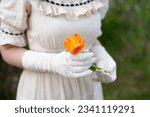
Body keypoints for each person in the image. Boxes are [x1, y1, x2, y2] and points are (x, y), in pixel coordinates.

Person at [0, 0, 116, 100]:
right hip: (44, 90)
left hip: (88, 89)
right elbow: (7, 50)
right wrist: (51, 63)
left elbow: (89, 37)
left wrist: (101, 55)